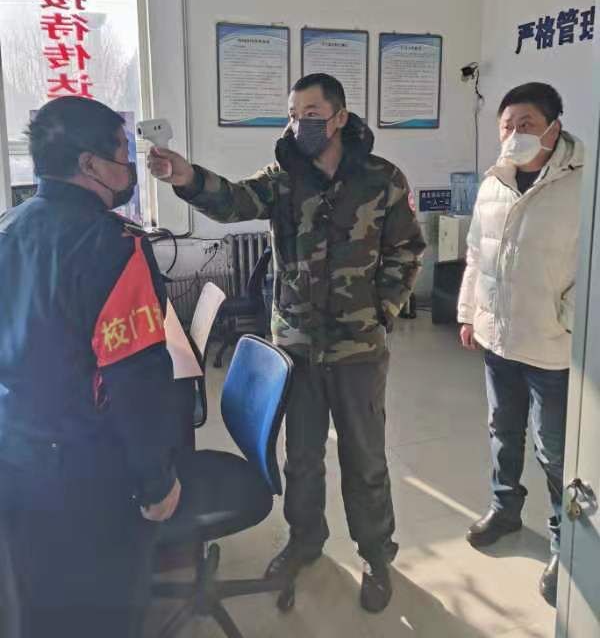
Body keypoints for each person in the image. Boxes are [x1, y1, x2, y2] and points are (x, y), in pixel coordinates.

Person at [148, 73, 426, 613]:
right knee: (302, 458)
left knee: (365, 458)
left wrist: (382, 311)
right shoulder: (282, 178)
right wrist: (187, 177)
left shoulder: (381, 179)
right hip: (296, 344)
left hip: (357, 349)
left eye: (312, 114)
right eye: (294, 115)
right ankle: (304, 541)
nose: (300, 124)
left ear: (339, 117)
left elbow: (407, 250)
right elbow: (234, 201)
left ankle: (375, 554)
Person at [0, 97, 184, 638]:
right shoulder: (113, 246)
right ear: (89, 164)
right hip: (90, 469)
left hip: (15, 454)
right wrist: (157, 481)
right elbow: (135, 379)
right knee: (107, 605)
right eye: (123, 155)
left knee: (38, 599)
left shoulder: (8, 228)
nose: (129, 168)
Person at [458, 82, 583, 607]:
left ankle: (564, 543)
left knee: (554, 450)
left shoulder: (584, 183)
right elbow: (475, 254)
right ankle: (505, 509)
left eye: (526, 123)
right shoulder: (494, 180)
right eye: (507, 125)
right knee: (503, 431)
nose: (514, 134)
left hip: (552, 345)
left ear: (554, 127)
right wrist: (469, 313)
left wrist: (567, 320)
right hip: (498, 338)